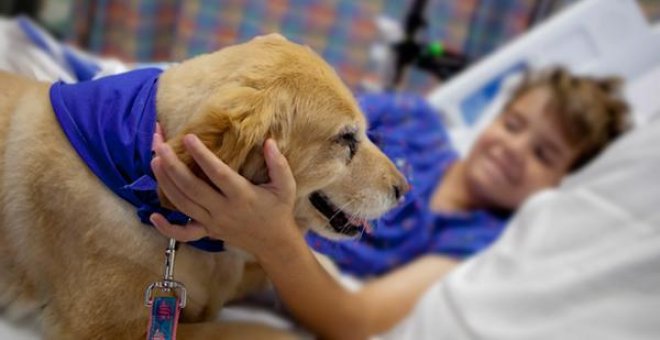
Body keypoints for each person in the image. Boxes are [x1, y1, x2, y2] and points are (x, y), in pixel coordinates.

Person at [148, 68, 630, 339]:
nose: (514, 149)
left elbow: (355, 320)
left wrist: (271, 236)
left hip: (283, 262)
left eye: (543, 153)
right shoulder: (415, 121)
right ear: (496, 116)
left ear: (562, 182)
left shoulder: (478, 241)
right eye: (514, 125)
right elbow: (310, 118)